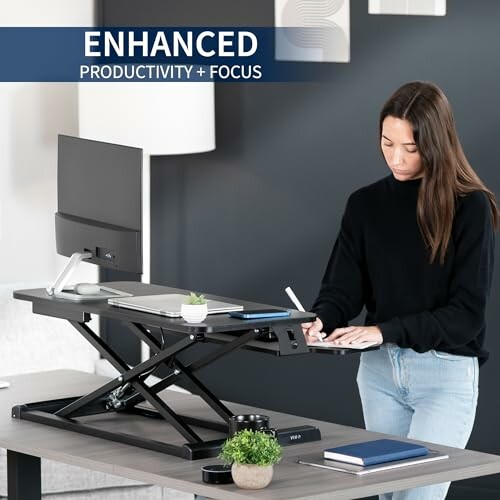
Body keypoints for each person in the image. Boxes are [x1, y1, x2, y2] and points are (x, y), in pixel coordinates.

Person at [302, 81, 498, 500]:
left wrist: (382, 331)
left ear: (436, 143)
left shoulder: (471, 208)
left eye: (410, 147)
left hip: (444, 376)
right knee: (389, 496)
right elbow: (342, 289)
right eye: (387, 143)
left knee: (417, 497)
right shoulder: (365, 205)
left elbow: (466, 317)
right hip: (378, 374)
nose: (397, 157)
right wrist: (322, 318)